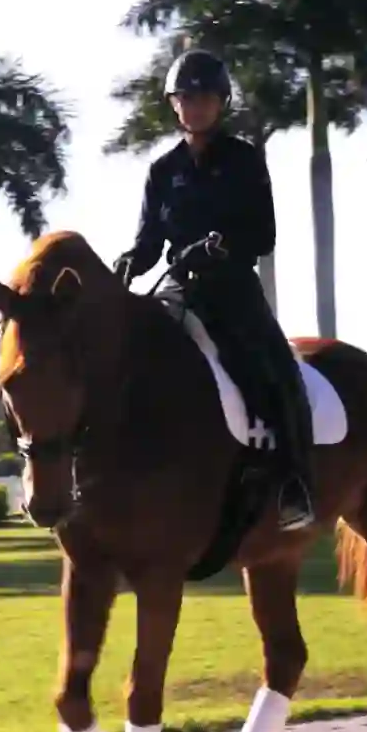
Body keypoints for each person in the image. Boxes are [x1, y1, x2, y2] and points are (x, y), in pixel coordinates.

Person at [114, 49, 316, 532]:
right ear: (174, 105)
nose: (195, 106)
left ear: (221, 103)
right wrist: (125, 265)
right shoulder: (162, 171)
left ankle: (294, 483)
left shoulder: (245, 160)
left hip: (233, 291)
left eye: (204, 97)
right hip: (179, 291)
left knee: (274, 369)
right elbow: (148, 244)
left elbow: (263, 236)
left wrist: (219, 248)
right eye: (186, 98)